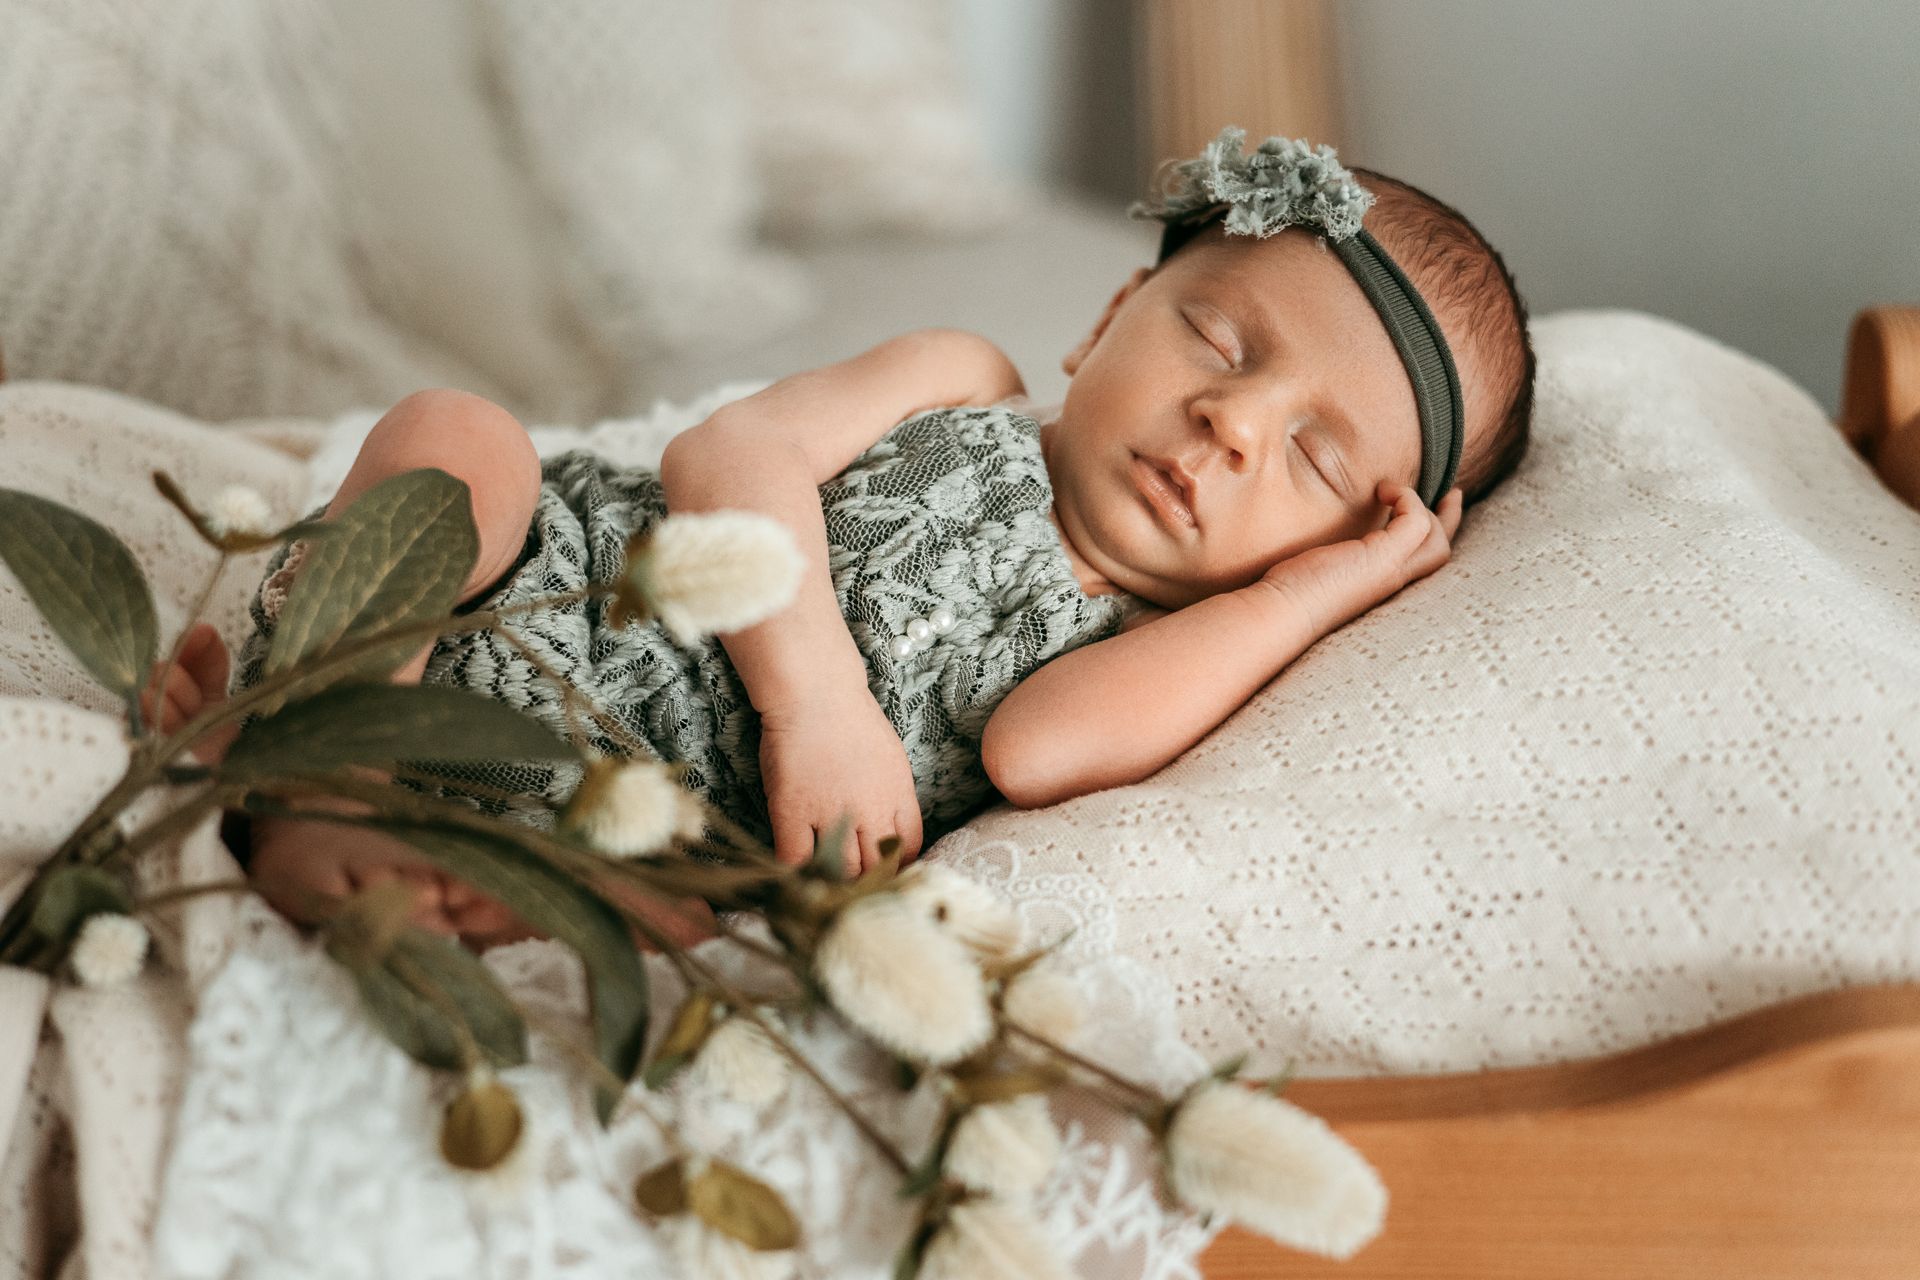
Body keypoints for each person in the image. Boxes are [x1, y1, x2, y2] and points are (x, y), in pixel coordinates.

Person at [143, 128, 1535, 948]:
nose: (1234, 422)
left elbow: (1033, 751)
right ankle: (326, 741)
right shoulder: (966, 373)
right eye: (1219, 338)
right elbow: (727, 453)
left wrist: (1302, 603)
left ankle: (383, 854)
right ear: (1115, 308)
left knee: (674, 916)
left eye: (1314, 457)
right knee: (459, 438)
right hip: (537, 585)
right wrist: (813, 696)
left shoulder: (1152, 647)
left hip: (635, 814)